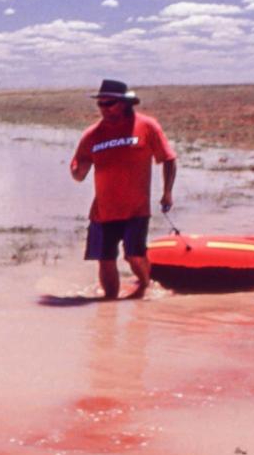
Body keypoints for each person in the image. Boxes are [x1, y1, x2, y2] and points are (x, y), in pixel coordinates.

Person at [69, 79, 177, 299]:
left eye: (109, 103)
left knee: (134, 256)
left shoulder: (147, 126)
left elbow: (168, 159)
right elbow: (79, 172)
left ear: (125, 103)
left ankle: (145, 287)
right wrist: (75, 170)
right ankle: (109, 307)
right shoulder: (92, 134)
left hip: (136, 208)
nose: (104, 109)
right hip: (103, 211)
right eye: (100, 104)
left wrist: (167, 192)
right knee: (105, 259)